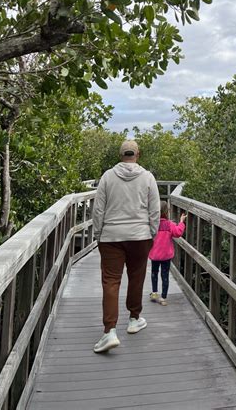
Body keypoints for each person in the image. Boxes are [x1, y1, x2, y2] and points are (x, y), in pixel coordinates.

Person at [92, 139, 160, 353]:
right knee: (137, 276)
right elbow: (155, 209)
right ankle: (134, 319)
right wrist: (152, 232)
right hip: (140, 236)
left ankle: (109, 331)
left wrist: (98, 234)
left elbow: (98, 210)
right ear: (137, 155)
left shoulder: (107, 177)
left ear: (121, 156)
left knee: (111, 281)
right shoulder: (148, 178)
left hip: (111, 236)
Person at [149, 201, 186, 305]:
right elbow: (178, 233)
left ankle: (154, 293)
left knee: (154, 273)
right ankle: (163, 297)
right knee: (165, 275)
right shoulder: (170, 224)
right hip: (166, 256)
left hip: (155, 255)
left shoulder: (152, 224)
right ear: (167, 211)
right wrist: (181, 222)